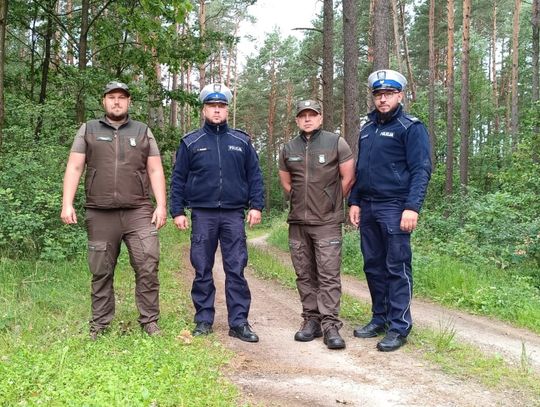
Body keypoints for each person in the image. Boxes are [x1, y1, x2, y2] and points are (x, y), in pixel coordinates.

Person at [61, 81, 167, 340]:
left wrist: (162, 205)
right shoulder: (89, 129)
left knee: (147, 265)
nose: (117, 102)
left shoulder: (142, 131)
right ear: (104, 101)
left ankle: (150, 321)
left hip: (139, 211)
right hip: (100, 211)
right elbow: (75, 167)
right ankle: (100, 323)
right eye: (112, 97)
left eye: (122, 97)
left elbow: (155, 169)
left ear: (129, 102)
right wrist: (67, 203)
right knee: (101, 270)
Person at [170, 83, 265, 343]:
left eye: (221, 106)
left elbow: (254, 176)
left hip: (233, 214)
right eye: (212, 106)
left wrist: (256, 205)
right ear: (204, 109)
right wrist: (177, 211)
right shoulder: (191, 142)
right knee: (202, 268)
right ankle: (203, 319)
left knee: (236, 268)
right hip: (203, 214)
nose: (216, 110)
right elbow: (178, 178)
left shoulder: (241, 141)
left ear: (227, 109)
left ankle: (239, 323)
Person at [348, 69, 432, 352]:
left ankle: (399, 326)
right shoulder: (367, 129)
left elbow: (421, 170)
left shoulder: (411, 127)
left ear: (400, 95)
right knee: (373, 266)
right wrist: (355, 201)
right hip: (369, 207)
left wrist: (412, 207)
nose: (383, 99)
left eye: (388, 94)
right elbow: (362, 170)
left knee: (397, 267)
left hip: (396, 207)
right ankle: (379, 318)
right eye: (378, 94)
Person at [278, 100, 355, 350]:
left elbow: (348, 178)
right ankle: (311, 320)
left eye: (312, 115)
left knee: (328, 273)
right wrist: (303, 202)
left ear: (321, 118)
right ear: (297, 120)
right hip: (298, 222)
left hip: (328, 223)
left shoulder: (335, 142)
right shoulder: (289, 148)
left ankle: (331, 324)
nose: (308, 119)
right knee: (304, 273)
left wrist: (330, 202)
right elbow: (288, 184)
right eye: (303, 116)